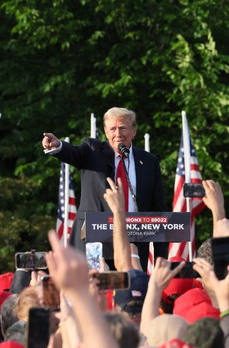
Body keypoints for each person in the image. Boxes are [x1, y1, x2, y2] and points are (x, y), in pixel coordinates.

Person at [42, 107, 166, 269]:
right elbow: (73, 153)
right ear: (106, 132)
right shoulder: (92, 151)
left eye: (123, 128)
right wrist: (57, 145)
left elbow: (157, 210)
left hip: (133, 243)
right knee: (95, 291)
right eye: (113, 129)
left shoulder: (149, 161)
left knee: (131, 291)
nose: (118, 134)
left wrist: (160, 258)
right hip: (95, 241)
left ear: (134, 131)